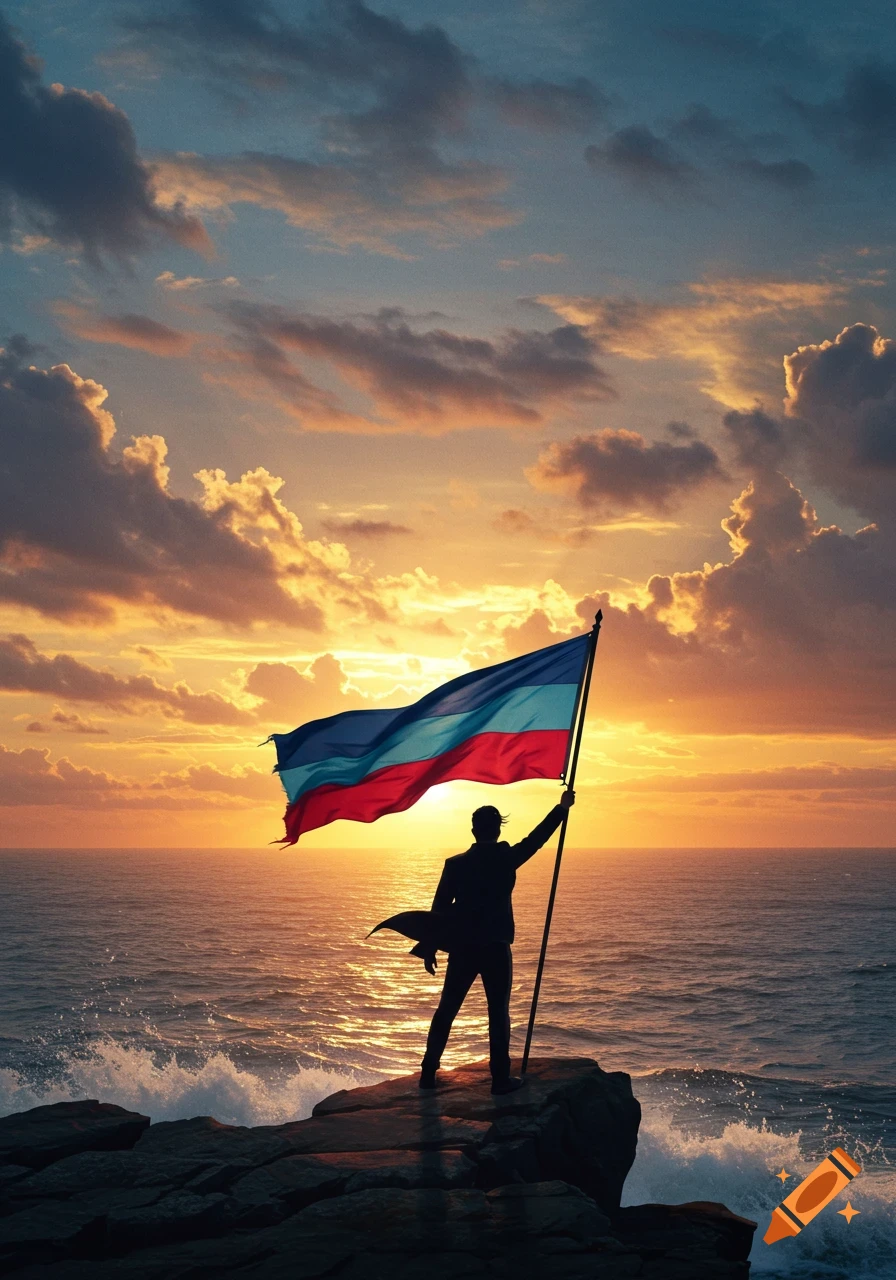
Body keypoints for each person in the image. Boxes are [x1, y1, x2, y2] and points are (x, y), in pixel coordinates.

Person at [416, 789, 575, 1095]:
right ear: (498, 829)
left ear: (474, 830)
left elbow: (438, 911)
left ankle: (428, 1074)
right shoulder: (506, 859)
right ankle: (499, 1080)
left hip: (463, 948)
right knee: (497, 1012)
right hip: (496, 947)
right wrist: (561, 808)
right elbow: (536, 839)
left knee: (446, 1009)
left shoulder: (455, 864)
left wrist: (429, 947)